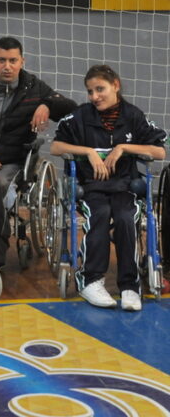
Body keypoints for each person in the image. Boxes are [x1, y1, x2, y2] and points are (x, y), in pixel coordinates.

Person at [51, 65, 166, 311]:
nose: (94, 96)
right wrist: (88, 152)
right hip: (91, 187)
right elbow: (56, 147)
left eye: (100, 89)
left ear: (116, 85)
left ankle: (129, 286)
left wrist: (123, 148)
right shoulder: (80, 116)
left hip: (124, 186)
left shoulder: (133, 116)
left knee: (126, 217)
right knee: (99, 214)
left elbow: (159, 151)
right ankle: (90, 280)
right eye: (90, 91)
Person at [0, 36, 77, 268]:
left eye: (13, 60)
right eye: (2, 60)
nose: (7, 66)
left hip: (14, 161)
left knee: (0, 185)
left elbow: (71, 109)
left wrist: (47, 105)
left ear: (22, 61)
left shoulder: (34, 88)